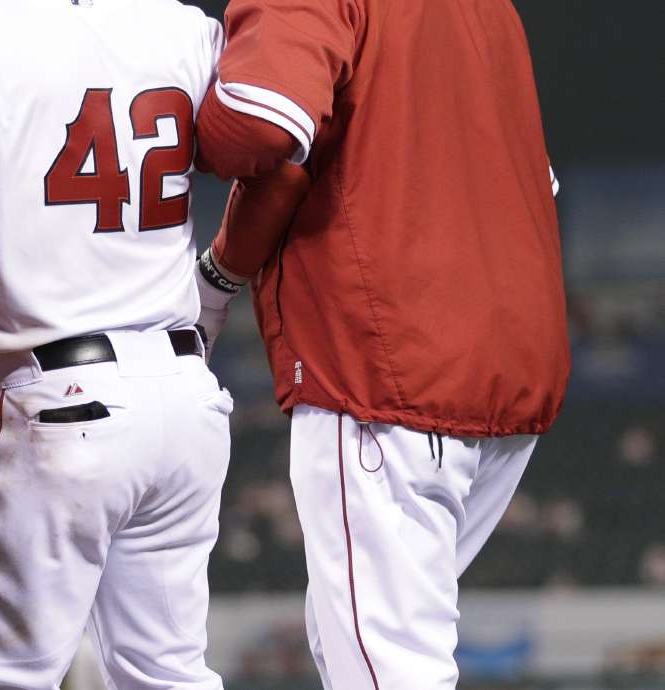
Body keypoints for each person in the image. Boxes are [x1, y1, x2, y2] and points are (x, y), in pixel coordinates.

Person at [192, 1, 569, 688]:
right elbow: (533, 178)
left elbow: (258, 126)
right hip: (512, 366)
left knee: (386, 665)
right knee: (349, 640)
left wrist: (193, 100)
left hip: (390, 367)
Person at [0, 1, 231, 688]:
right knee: (170, 675)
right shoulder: (183, 26)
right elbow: (271, 153)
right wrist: (223, 277)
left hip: (51, 401)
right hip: (184, 398)